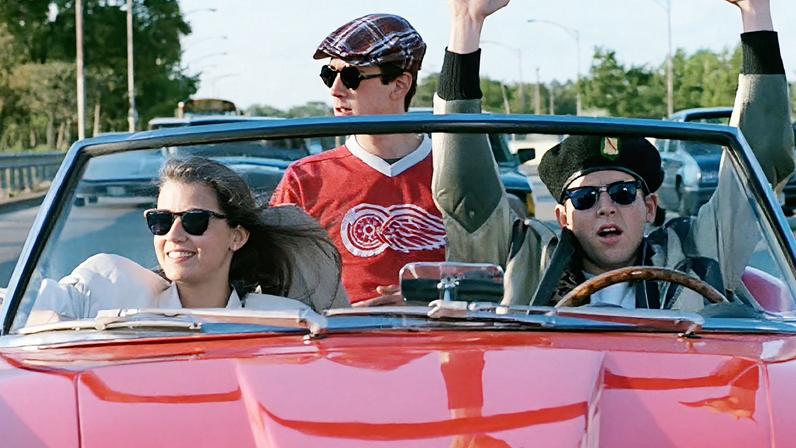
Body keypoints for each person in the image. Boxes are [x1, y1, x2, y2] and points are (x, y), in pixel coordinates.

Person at [432, 0, 794, 309]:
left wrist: (755, 10)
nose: (606, 207)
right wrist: (466, 22)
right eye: (585, 198)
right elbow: (466, 191)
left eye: (622, 193)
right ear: (562, 217)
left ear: (649, 207)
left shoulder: (696, 253)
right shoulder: (528, 262)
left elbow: (757, 163)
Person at [29, 157, 348, 323]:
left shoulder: (283, 319)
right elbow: (24, 308)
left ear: (236, 237)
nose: (174, 235)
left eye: (195, 220)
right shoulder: (107, 283)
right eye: (161, 220)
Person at [270, 14, 444, 306]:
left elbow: (492, 270)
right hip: (339, 342)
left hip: (447, 340)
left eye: (351, 76)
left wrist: (427, 299)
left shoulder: (453, 174)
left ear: (399, 86)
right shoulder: (305, 178)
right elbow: (274, 281)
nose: (335, 89)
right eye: (329, 74)